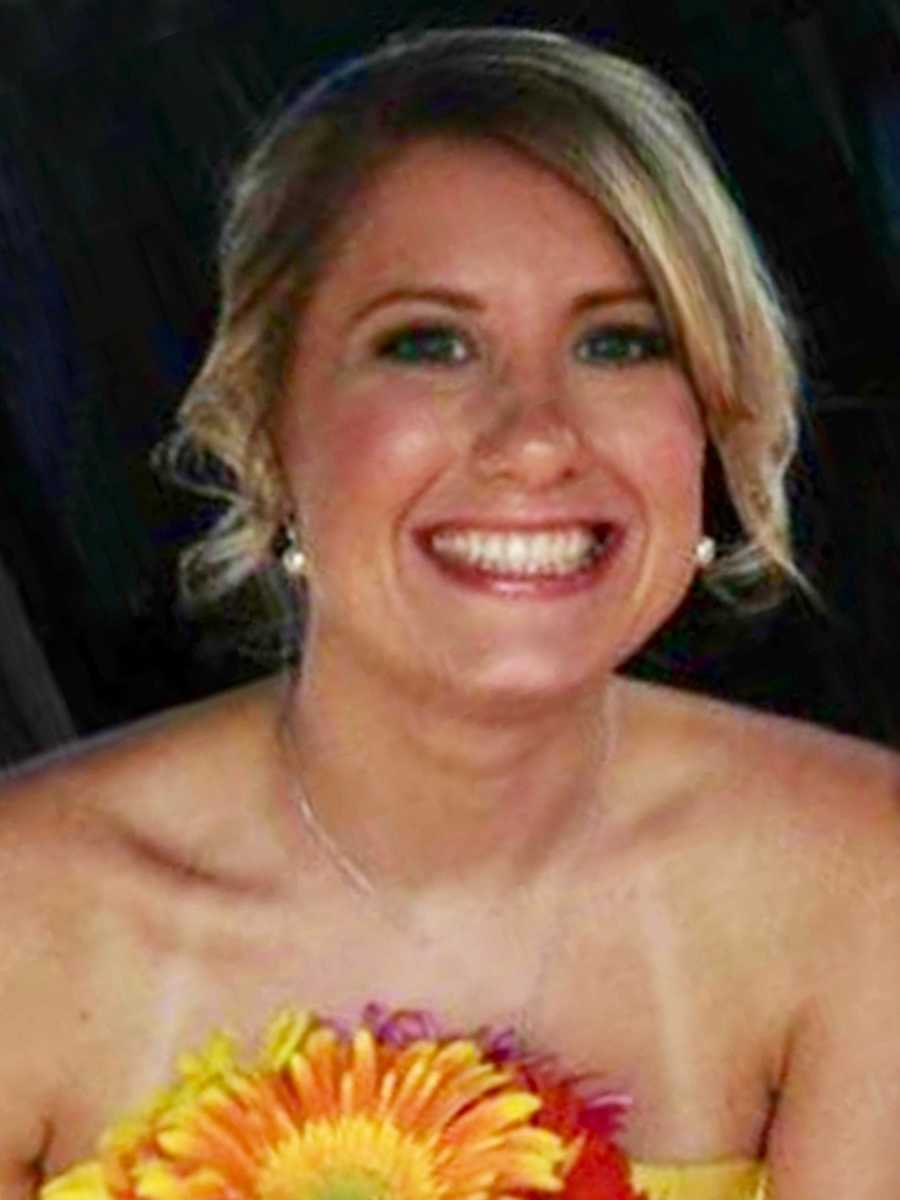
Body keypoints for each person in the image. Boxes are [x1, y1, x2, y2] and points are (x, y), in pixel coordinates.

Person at [1, 26, 898, 1200]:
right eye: (429, 343)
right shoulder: (26, 913)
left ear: (714, 425)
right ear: (269, 426)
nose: (533, 437)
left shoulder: (867, 879)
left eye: (621, 342)